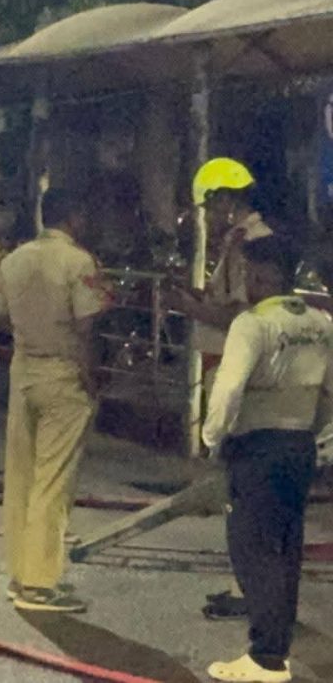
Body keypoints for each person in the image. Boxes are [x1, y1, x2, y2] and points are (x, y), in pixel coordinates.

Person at [201, 236, 332, 683]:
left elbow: (229, 388)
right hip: (299, 444)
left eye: (250, 270)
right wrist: (313, 428)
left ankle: (266, 657)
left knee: (252, 549)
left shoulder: (252, 324)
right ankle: (277, 650)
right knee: (285, 549)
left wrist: (213, 437)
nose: (247, 279)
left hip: (257, 445)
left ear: (266, 272)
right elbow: (330, 391)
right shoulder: (320, 322)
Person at [0, 187, 110, 613]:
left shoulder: (13, 260)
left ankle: (19, 572)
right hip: (63, 373)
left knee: (21, 477)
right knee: (53, 480)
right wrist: (92, 378)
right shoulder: (78, 262)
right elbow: (86, 328)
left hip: (24, 370)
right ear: (73, 216)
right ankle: (40, 584)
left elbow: (0, 317)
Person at [166, 157, 272, 621]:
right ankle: (245, 583)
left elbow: (238, 316)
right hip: (238, 369)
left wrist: (189, 308)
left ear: (226, 201)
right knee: (242, 488)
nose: (206, 216)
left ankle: (251, 588)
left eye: (209, 206)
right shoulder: (249, 241)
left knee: (243, 487)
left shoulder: (250, 245)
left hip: (239, 371)